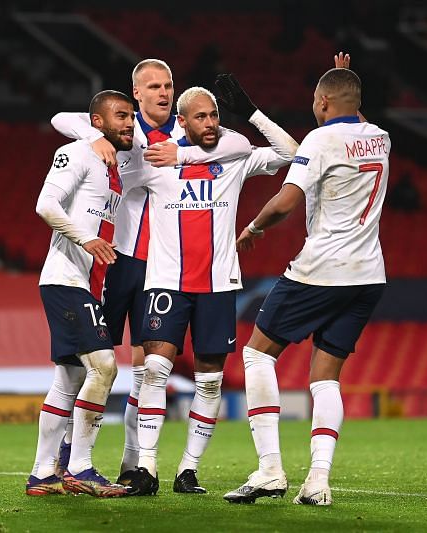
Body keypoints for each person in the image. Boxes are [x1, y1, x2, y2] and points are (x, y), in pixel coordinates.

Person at [50, 58, 253, 492]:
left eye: (169, 85)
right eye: (154, 86)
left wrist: (187, 152)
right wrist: (93, 135)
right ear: (136, 92)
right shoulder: (124, 130)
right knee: (81, 362)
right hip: (114, 261)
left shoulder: (184, 139)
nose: (163, 92)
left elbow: (243, 148)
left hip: (158, 267)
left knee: (145, 371)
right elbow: (60, 117)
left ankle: (134, 464)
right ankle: (65, 454)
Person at [223, 53, 390, 506]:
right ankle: (317, 481)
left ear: (321, 101)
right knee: (326, 378)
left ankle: (270, 469)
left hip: (321, 269)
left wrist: (252, 228)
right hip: (368, 275)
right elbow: (354, 117)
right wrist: (344, 77)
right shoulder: (381, 138)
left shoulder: (318, 141)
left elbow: (285, 202)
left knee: (257, 355)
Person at [124, 80, 298, 496]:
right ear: (180, 120)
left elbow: (290, 152)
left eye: (215, 115)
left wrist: (252, 113)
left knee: (210, 381)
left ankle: (188, 470)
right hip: (167, 279)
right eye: (200, 116)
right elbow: (118, 175)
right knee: (154, 369)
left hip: (218, 283)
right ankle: (146, 466)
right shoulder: (156, 157)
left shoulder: (234, 156)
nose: (210, 123)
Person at [26, 90, 137, 498]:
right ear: (96, 121)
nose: (129, 123)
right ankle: (81, 466)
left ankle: (42, 474)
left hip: (87, 282)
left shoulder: (112, 160)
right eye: (121, 116)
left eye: (131, 116)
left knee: (69, 377)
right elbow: (45, 205)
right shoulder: (76, 152)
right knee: (104, 366)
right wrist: (86, 240)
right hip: (65, 277)